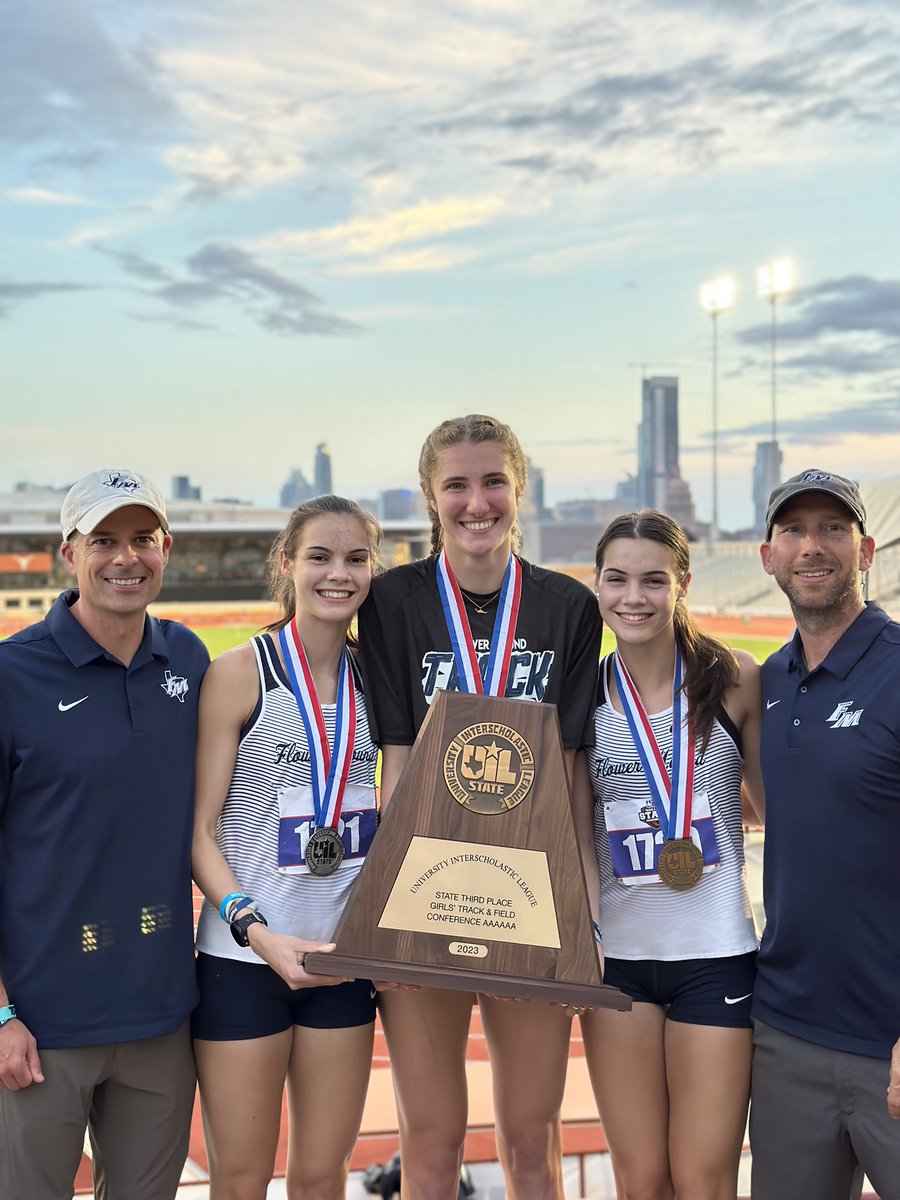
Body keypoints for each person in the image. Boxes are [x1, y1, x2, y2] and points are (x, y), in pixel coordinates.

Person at [358, 414, 603, 1200]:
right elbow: (396, 758)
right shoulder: (392, 600)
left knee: (531, 1140)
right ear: (430, 496)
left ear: (520, 487)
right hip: (425, 890)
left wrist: (577, 918)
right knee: (430, 1145)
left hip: (529, 897)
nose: (477, 502)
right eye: (456, 485)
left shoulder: (568, 605)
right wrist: (391, 917)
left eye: (494, 481)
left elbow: (569, 773)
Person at [0, 468, 210, 1200]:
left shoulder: (188, 658)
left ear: (166, 548)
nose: (127, 557)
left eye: (143, 538)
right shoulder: (11, 674)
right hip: (41, 1024)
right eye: (104, 540)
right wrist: (1, 1012)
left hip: (160, 1015)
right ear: (69, 553)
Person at [191, 495, 382, 1200]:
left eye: (356, 559)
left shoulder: (380, 678)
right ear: (287, 564)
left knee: (322, 1176)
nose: (339, 574)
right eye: (320, 557)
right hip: (243, 961)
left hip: (342, 963)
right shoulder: (239, 673)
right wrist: (256, 931)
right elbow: (198, 833)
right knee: (241, 1179)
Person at [579, 510, 763, 1200]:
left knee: (703, 1178)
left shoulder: (735, 677)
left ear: (682, 583)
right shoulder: (583, 695)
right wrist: (585, 934)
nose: (635, 597)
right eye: (617, 579)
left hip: (715, 956)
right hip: (618, 963)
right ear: (597, 585)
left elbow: (769, 809)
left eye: (653, 580)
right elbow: (577, 831)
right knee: (642, 1181)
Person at [750, 468, 900, 1200]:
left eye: (834, 528)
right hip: (787, 1034)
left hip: (889, 1041)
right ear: (768, 556)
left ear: (866, 550)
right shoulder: (765, 684)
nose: (813, 546)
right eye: (795, 530)